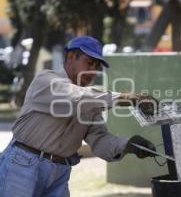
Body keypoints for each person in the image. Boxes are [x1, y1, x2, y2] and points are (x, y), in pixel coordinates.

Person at [0, 36, 157, 197]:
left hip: (60, 171)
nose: (93, 71)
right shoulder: (46, 80)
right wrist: (125, 98)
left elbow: (99, 140)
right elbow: (75, 97)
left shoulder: (90, 103)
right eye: (89, 62)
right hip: (23, 164)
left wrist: (128, 145)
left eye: (96, 66)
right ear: (70, 57)